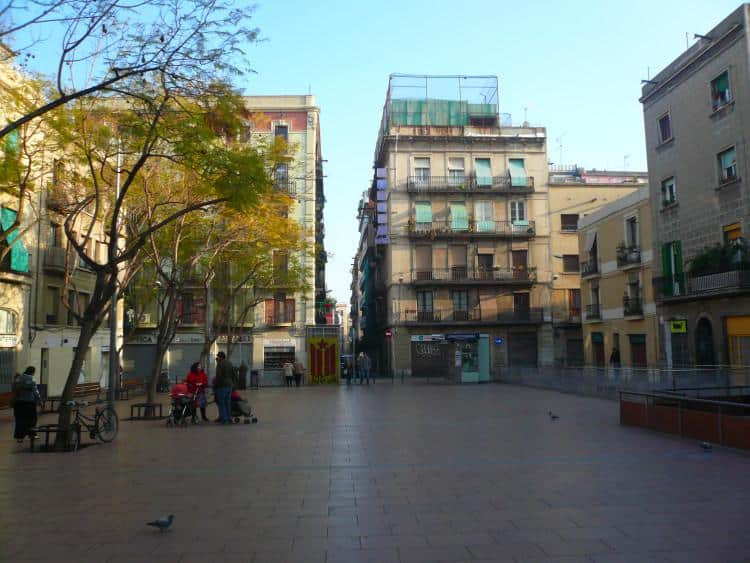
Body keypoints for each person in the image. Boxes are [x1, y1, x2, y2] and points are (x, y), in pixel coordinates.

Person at [13, 366, 41, 443]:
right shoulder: (31, 379)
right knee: (32, 419)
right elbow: (36, 392)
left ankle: (19, 437)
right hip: (29, 402)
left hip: (18, 403)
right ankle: (32, 434)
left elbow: (14, 389)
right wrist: (40, 400)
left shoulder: (18, 378)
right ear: (33, 372)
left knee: (20, 420)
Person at [214, 351, 235, 424]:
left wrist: (215, 386)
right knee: (227, 402)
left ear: (220, 357)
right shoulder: (229, 363)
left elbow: (218, 376)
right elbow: (233, 374)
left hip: (222, 385)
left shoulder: (220, 364)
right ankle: (229, 418)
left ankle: (224, 419)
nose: (217, 358)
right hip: (229, 385)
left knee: (221, 403)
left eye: (218, 356)